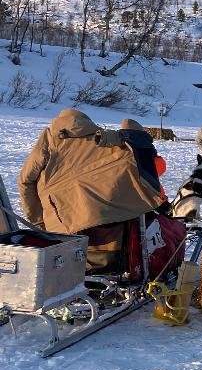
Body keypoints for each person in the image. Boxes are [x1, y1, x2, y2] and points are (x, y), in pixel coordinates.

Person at [17, 109, 167, 273]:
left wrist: (39, 222)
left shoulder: (50, 139)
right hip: (110, 220)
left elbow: (25, 181)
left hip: (64, 219)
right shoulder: (106, 139)